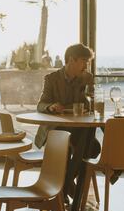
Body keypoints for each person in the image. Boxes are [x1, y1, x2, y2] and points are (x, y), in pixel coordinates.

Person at [35, 43, 100, 197]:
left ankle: (65, 185)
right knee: (72, 147)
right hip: (57, 128)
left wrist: (89, 102)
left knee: (94, 147)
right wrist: (51, 107)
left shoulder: (87, 78)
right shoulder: (52, 79)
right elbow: (41, 105)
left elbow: (90, 104)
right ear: (72, 59)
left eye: (88, 62)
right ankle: (69, 190)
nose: (86, 66)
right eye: (84, 61)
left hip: (79, 127)